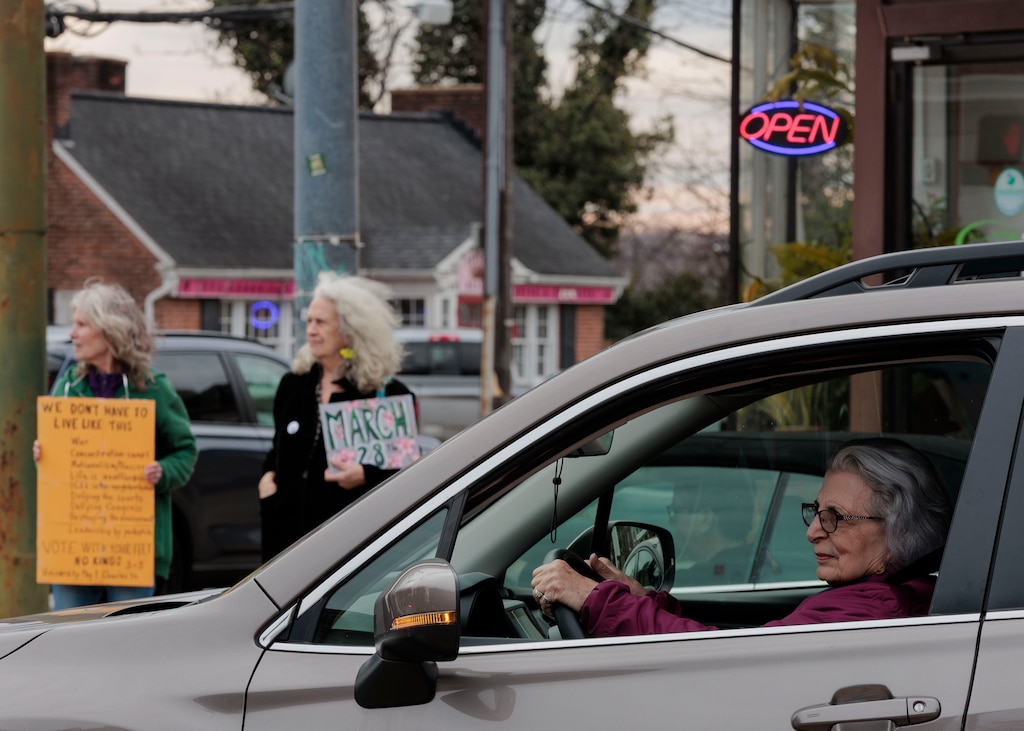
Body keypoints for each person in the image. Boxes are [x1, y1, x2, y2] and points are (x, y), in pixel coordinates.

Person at [532, 437, 952, 636]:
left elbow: (723, 660)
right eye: (816, 512)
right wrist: (639, 598)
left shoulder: (866, 613)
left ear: (899, 533)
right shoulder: (884, 598)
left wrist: (594, 599)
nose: (811, 532)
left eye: (835, 517)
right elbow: (741, 642)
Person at [35, 279, 197, 609]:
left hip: (133, 548)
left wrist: (162, 471)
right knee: (70, 644)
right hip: (74, 546)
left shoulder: (153, 387)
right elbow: (54, 464)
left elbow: (185, 451)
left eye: (81, 325)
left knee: (124, 648)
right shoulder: (68, 386)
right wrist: (43, 453)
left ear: (109, 330)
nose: (72, 334)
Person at [258, 272, 416, 562]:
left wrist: (365, 475)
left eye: (321, 322)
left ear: (348, 331)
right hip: (283, 544)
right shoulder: (293, 384)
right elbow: (277, 448)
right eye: (309, 321)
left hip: (348, 550)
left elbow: (408, 475)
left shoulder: (388, 393)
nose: (311, 330)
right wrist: (267, 479)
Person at [668, 476, 756, 585]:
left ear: (705, 519)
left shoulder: (691, 582)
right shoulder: (760, 565)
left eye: (675, 511)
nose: (670, 522)